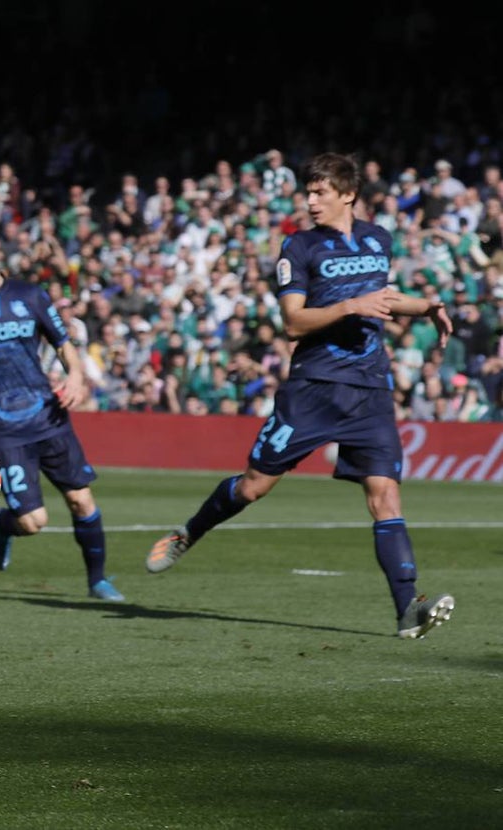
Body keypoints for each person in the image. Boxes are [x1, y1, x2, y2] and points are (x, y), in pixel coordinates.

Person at [146, 152, 456, 640]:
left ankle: (407, 608)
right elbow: (293, 322)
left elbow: (385, 298)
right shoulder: (299, 246)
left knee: (385, 495)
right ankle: (193, 530)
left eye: (320, 193)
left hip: (370, 388)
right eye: (307, 192)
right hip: (313, 387)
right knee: (253, 487)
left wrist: (428, 306)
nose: (310, 201)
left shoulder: (379, 238)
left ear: (348, 194)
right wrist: (351, 304)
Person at [0, 218, 124, 602]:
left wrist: (75, 375)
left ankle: (98, 581)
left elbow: (62, 341)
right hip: (3, 428)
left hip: (48, 415)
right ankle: (6, 525)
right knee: (33, 522)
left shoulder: (31, 295)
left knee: (81, 499)